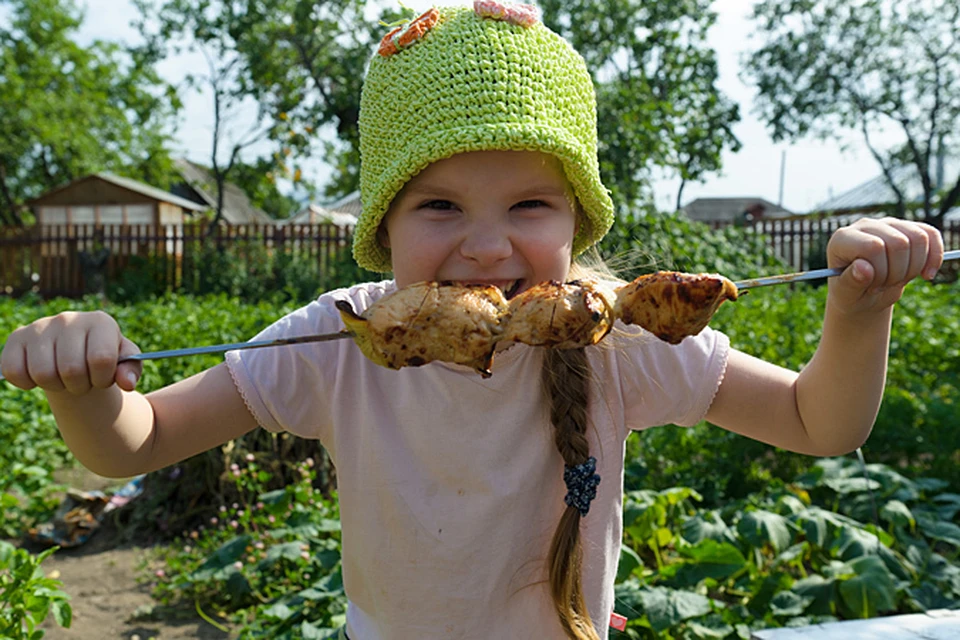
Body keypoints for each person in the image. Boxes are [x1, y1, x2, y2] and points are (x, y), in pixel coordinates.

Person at [0, 4, 945, 639]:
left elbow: (819, 425)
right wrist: (83, 385)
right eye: (440, 208)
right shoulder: (337, 342)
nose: (488, 247)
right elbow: (139, 443)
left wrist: (859, 314)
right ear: (383, 228)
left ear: (578, 221)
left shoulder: (617, 346)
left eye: (530, 206)